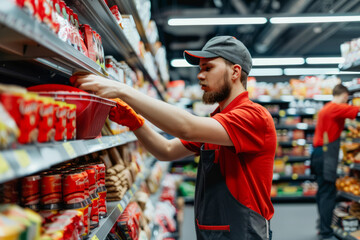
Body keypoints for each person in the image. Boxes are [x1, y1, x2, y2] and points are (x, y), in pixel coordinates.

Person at [71, 36, 276, 239]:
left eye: (208, 68)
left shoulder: (253, 117)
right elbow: (166, 150)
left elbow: (186, 127)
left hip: (244, 233)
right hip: (215, 232)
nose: (200, 76)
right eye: (200, 69)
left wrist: (124, 91)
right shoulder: (218, 121)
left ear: (235, 72)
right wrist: (134, 123)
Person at [312, 84, 360, 240]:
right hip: (326, 155)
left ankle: (321, 226)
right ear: (344, 95)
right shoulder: (335, 107)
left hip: (318, 153)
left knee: (322, 192)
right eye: (347, 98)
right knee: (328, 193)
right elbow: (356, 110)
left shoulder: (326, 108)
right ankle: (326, 231)